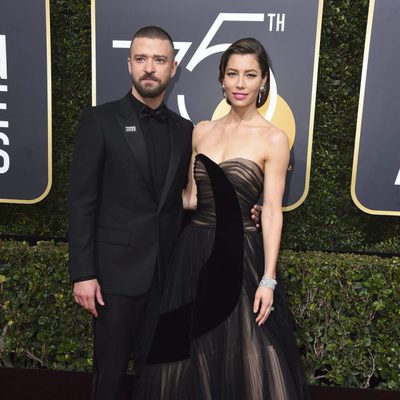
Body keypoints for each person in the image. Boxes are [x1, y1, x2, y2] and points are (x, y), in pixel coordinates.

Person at [139, 38, 310, 399]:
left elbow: (274, 211)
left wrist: (269, 279)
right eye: (232, 74)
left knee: (247, 357)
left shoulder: (274, 139)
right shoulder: (201, 131)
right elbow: (190, 197)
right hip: (194, 252)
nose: (240, 83)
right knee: (188, 356)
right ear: (221, 79)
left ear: (264, 81)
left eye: (250, 75)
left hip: (241, 256)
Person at [68, 26, 193, 400]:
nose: (149, 68)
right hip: (113, 280)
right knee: (108, 380)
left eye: (159, 60)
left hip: (166, 280)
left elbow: (188, 199)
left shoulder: (185, 130)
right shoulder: (100, 121)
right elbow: (81, 201)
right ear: (129, 65)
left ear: (174, 67)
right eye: (141, 59)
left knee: (158, 382)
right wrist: (83, 273)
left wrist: (243, 207)